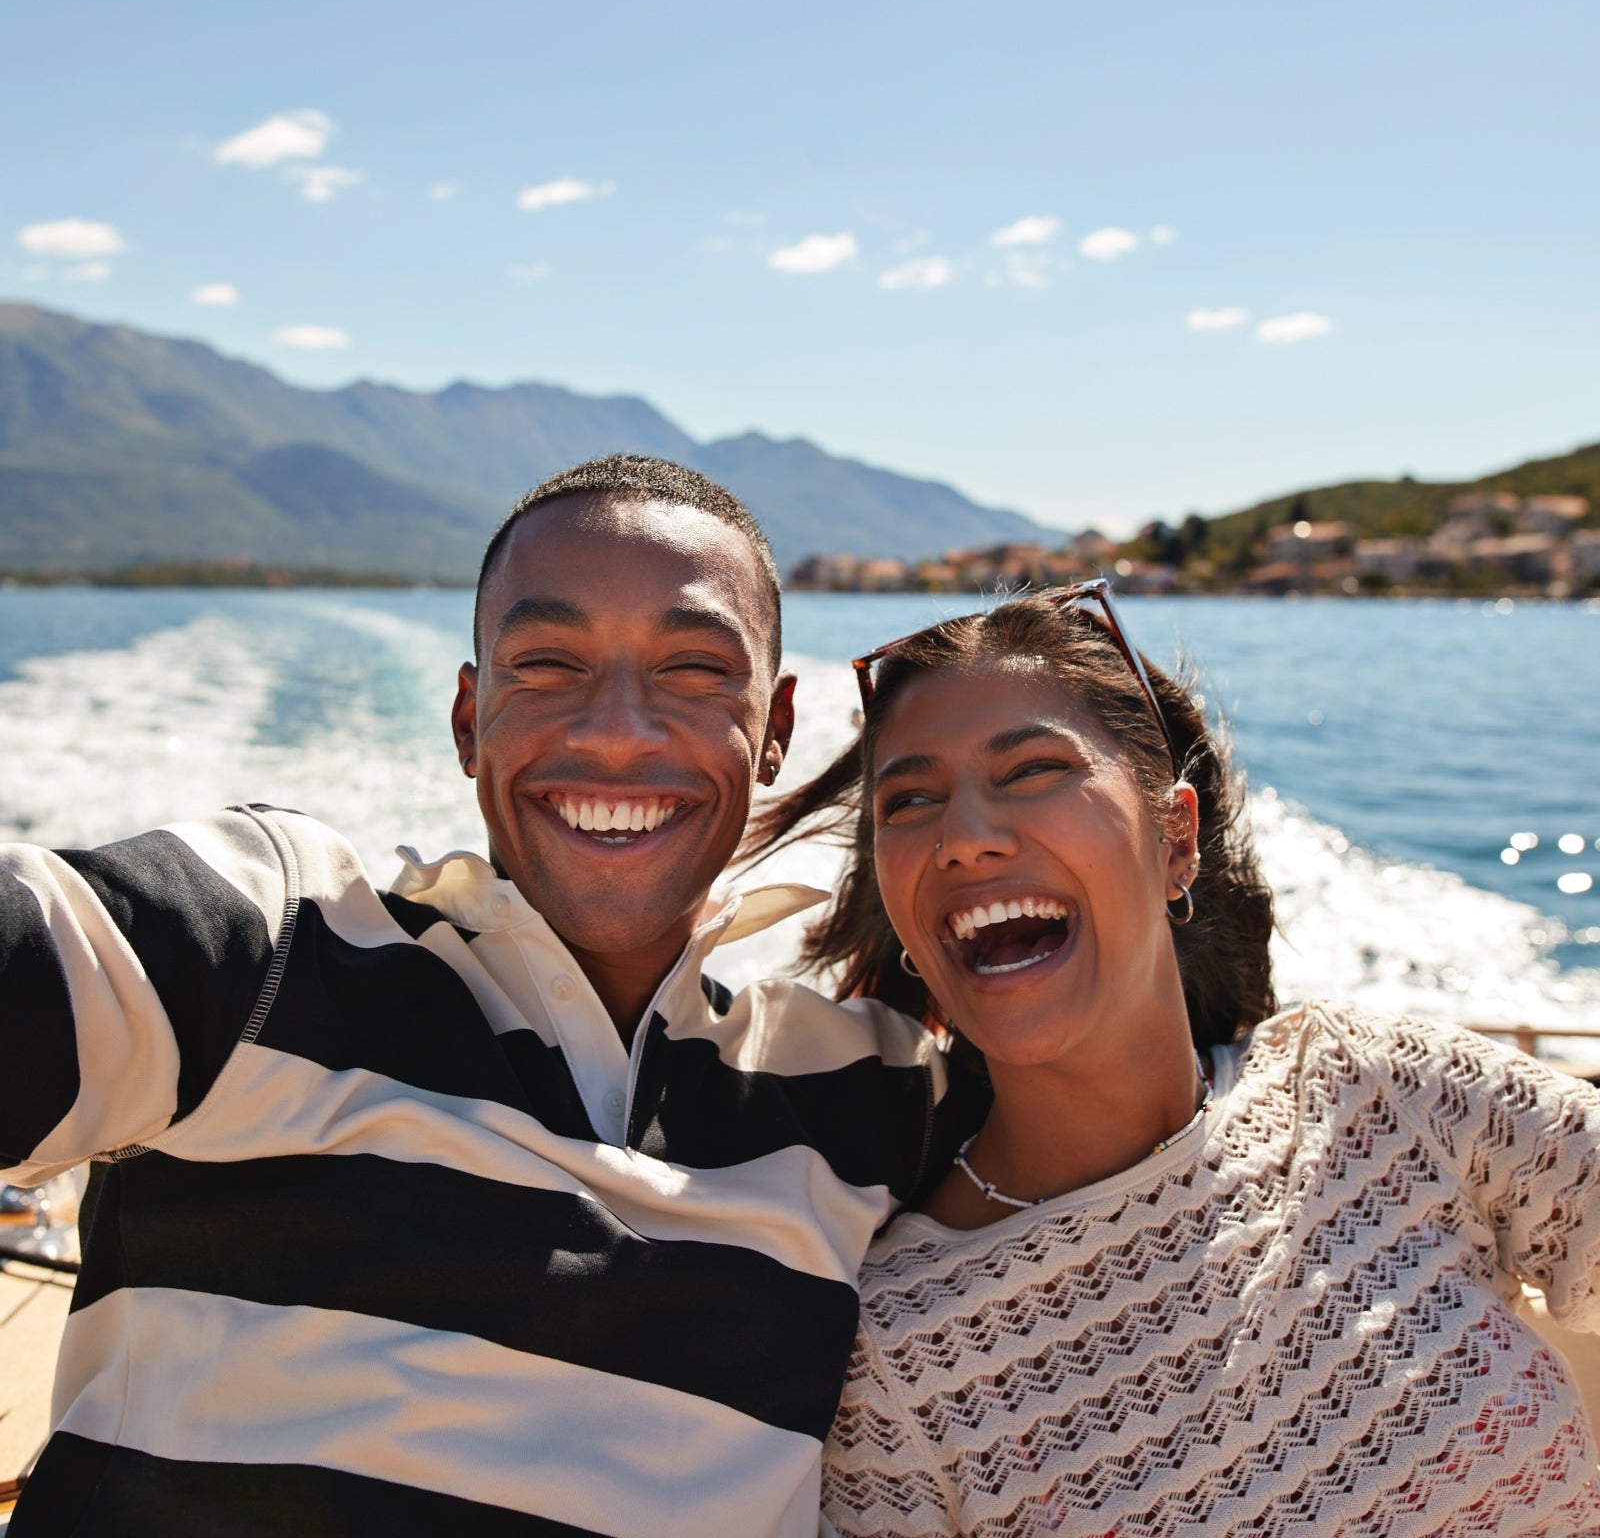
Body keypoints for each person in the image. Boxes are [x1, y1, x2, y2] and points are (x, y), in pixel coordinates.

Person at [0, 455, 953, 1537]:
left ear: (776, 727)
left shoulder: (869, 1089)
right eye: (547, 663)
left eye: (694, 670)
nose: (617, 730)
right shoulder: (277, 940)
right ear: (467, 718)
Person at [746, 581, 1600, 1537]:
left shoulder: (1381, 1090)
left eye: (1030, 770)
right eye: (911, 799)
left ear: (1176, 839)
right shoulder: (898, 1357)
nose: (964, 838)